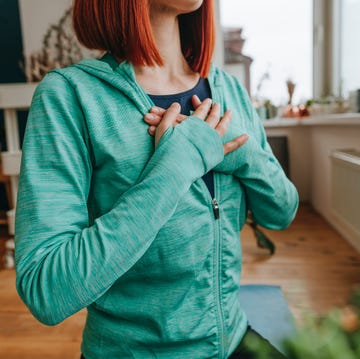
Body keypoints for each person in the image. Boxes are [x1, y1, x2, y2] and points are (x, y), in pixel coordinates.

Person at [15, 1, 299, 358]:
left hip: (231, 338)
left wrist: (243, 153)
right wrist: (174, 168)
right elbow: (47, 289)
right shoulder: (70, 96)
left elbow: (282, 211)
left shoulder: (227, 89)